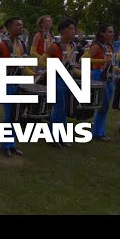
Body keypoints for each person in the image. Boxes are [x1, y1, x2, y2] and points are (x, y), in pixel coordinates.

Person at [0, 16, 39, 157]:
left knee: (17, 114)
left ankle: (12, 145)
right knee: (9, 114)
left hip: (19, 82)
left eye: (22, 25)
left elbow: (25, 66)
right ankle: (5, 146)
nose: (21, 27)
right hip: (7, 81)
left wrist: (33, 74)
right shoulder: (2, 45)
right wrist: (4, 66)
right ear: (9, 28)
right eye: (18, 25)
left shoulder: (22, 45)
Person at [41, 19, 78, 148]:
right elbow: (41, 61)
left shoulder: (73, 46)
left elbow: (72, 65)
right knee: (59, 108)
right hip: (56, 78)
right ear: (62, 31)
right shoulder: (54, 46)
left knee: (64, 109)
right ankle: (52, 137)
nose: (73, 31)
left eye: (74, 29)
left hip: (68, 78)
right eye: (70, 29)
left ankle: (61, 136)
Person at [82, 24, 115, 142]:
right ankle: (97, 132)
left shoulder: (110, 46)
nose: (112, 34)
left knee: (106, 106)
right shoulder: (97, 46)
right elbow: (84, 58)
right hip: (99, 75)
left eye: (112, 32)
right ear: (102, 33)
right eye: (109, 32)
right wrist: (101, 60)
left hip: (109, 76)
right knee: (102, 105)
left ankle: (100, 131)